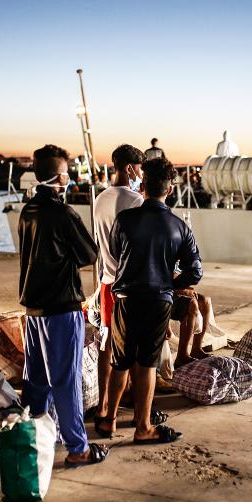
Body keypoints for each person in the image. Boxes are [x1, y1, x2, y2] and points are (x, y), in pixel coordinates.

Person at [98, 157, 202, 443]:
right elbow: (196, 270)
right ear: (169, 190)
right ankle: (143, 427)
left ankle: (108, 420)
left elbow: (117, 253)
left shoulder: (125, 220)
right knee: (147, 364)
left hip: (127, 297)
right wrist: (171, 283)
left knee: (121, 362)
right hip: (159, 300)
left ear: (142, 186)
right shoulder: (180, 227)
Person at [18, 144, 108, 467]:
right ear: (58, 178)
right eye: (67, 175)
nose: (69, 179)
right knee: (65, 380)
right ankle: (78, 447)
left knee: (36, 380)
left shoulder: (27, 210)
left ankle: (29, 437)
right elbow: (89, 254)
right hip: (61, 308)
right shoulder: (63, 212)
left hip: (34, 309)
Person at [91, 144, 162, 436]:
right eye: (140, 169)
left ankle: (104, 406)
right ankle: (135, 405)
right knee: (136, 350)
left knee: (108, 346)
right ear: (131, 168)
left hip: (106, 281)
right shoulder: (135, 200)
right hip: (132, 283)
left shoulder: (99, 199)